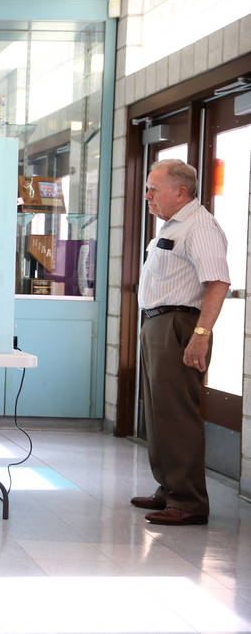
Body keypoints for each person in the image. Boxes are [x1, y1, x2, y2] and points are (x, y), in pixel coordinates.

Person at [133, 159, 229, 526]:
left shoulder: (200, 227)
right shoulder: (173, 226)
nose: (148, 196)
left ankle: (189, 501)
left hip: (180, 325)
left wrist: (201, 335)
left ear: (181, 191)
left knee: (177, 414)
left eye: (154, 189)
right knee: (158, 413)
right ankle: (169, 488)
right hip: (158, 323)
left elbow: (218, 282)